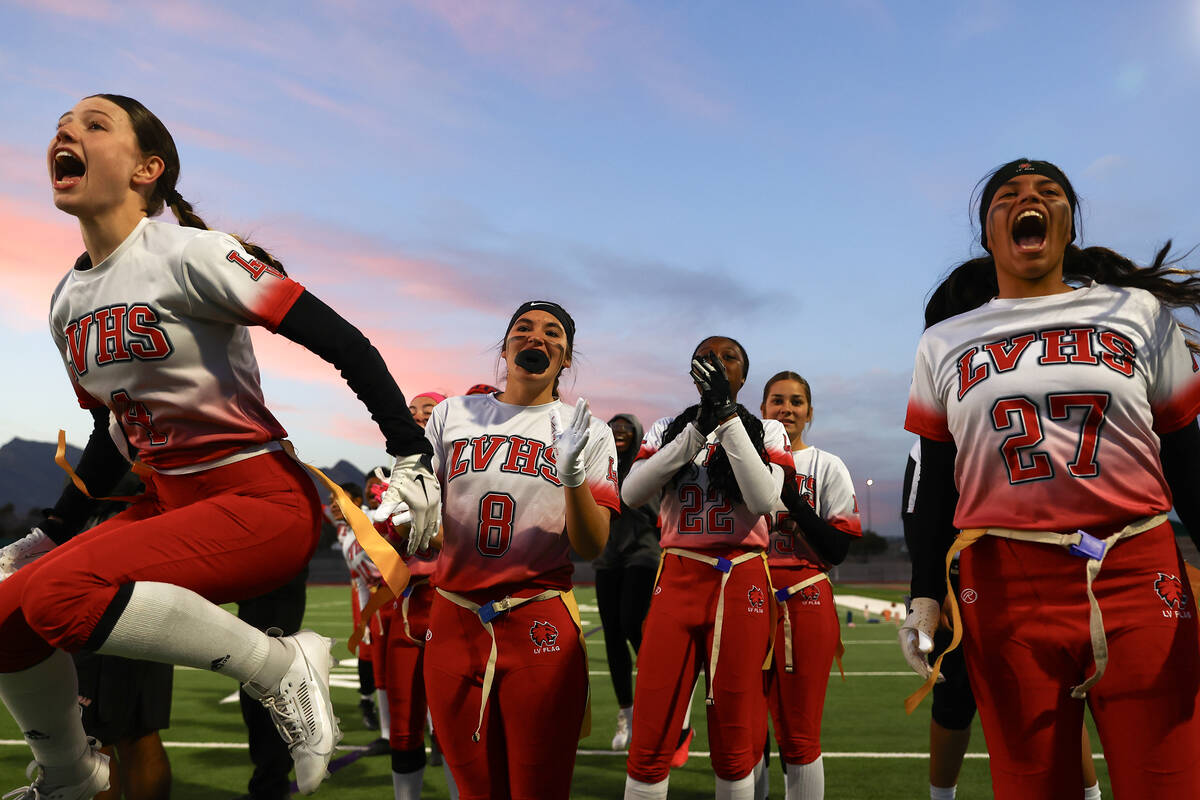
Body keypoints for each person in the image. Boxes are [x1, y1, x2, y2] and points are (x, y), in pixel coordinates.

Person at [0, 93, 438, 798]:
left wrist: (411, 452)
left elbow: (345, 342)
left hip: (259, 500)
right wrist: (50, 531)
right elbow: (114, 431)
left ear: (149, 169)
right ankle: (71, 776)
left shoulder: (194, 253)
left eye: (93, 123)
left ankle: (280, 665)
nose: (65, 131)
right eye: (60, 125)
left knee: (60, 600)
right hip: (169, 504)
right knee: (7, 618)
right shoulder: (65, 301)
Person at [901, 158, 1200, 798]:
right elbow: (936, 481)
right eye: (1006, 195)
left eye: (1048, 193)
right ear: (988, 232)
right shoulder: (944, 342)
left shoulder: (1138, 312)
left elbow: (1187, 458)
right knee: (1033, 788)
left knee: (1168, 781)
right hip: (1003, 585)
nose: (1027, 200)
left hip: (1134, 571)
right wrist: (925, 590)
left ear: (1068, 223)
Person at [903, 264, 1105, 800]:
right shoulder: (946, 422)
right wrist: (929, 589)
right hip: (979, 580)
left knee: (1065, 706)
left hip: (1080, 572)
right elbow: (924, 513)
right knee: (965, 703)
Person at [419, 301, 619, 800]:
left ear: (566, 357)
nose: (537, 337)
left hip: (537, 620)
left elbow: (592, 545)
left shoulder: (588, 429)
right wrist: (409, 516)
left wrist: (572, 477)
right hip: (454, 619)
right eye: (523, 329)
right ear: (505, 346)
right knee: (474, 790)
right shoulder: (451, 414)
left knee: (539, 790)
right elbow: (433, 532)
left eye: (553, 332)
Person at [622, 336, 793, 800]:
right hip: (678, 573)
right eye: (707, 357)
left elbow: (763, 501)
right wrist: (697, 429)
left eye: (729, 357)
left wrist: (726, 416)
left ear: (743, 374)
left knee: (735, 734)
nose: (717, 363)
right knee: (652, 727)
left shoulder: (769, 430)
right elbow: (632, 492)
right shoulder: (667, 426)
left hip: (741, 579)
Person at [760, 371, 861, 800]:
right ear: (762, 410)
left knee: (800, 734)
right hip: (745, 597)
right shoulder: (743, 462)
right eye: (777, 401)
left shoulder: (826, 465)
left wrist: (793, 499)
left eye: (796, 402)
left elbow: (837, 548)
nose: (786, 409)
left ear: (810, 412)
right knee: (743, 731)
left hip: (804, 597)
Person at [592, 413, 660, 751]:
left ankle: (657, 695)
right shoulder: (598, 462)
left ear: (637, 434)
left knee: (632, 621)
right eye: (614, 428)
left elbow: (656, 512)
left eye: (626, 428)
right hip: (607, 555)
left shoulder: (647, 464)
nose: (619, 432)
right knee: (612, 636)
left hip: (643, 552)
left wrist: (626, 492)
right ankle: (627, 713)